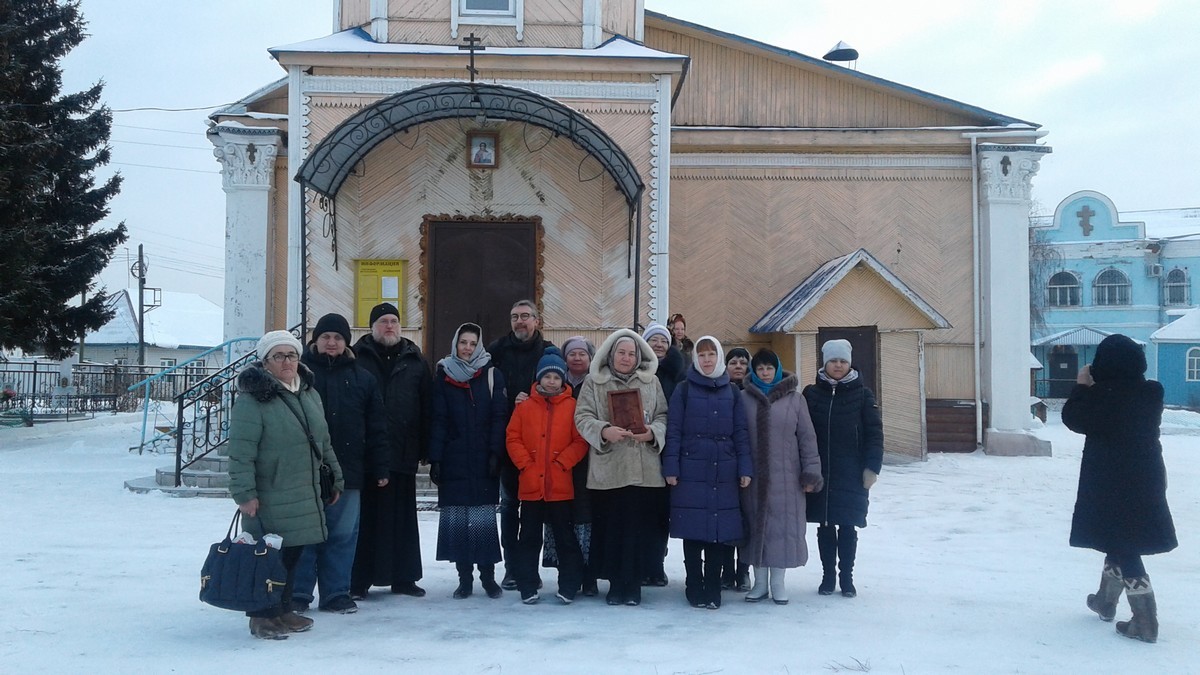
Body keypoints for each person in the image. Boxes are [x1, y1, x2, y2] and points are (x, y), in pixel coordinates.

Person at [227, 330, 345, 639]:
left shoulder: (308, 393)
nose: (287, 361)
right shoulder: (253, 400)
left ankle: (281, 609)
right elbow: (240, 452)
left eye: (291, 355)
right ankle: (261, 616)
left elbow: (324, 441)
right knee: (267, 556)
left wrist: (336, 478)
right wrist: (244, 494)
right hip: (269, 493)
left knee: (292, 554)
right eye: (278, 356)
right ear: (265, 363)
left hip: (303, 491)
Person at [1062, 333, 1177, 644]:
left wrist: (1081, 387)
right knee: (1120, 534)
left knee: (1125, 545)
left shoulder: (1102, 397)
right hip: (1147, 476)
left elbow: (1073, 418)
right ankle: (1105, 600)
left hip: (1110, 480)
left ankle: (1145, 620)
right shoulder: (1151, 393)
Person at [294, 314, 390, 615]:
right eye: (326, 337)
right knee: (305, 534)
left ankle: (336, 593)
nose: (331, 342)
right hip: (304, 472)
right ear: (315, 341)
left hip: (349, 471)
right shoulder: (298, 376)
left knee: (342, 535)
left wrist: (380, 466)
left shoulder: (363, 378)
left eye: (337, 337)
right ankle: (298, 593)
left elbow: (376, 426)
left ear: (346, 342)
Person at [574, 329, 669, 606]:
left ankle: (635, 585)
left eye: (631, 354)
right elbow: (582, 416)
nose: (626, 358)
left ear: (638, 357)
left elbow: (663, 414)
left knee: (639, 530)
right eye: (621, 353)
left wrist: (652, 433)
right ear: (610, 355)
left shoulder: (651, 382)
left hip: (643, 468)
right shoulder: (595, 382)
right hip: (610, 469)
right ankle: (616, 584)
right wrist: (604, 431)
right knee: (612, 528)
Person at [663, 337, 752, 609]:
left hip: (723, 468)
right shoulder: (684, 389)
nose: (707, 359)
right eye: (702, 355)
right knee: (693, 531)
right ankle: (694, 584)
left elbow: (741, 432)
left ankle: (713, 586)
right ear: (696, 360)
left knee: (718, 532)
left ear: (719, 357)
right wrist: (671, 467)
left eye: (712, 354)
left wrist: (745, 467)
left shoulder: (732, 392)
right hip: (691, 467)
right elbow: (674, 430)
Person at [352, 303, 431, 599]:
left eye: (394, 321)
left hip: (402, 451)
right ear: (372, 327)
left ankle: (404, 578)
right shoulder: (357, 358)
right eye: (383, 321)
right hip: (367, 454)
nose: (389, 326)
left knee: (402, 520)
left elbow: (426, 406)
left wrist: (425, 447)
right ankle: (358, 581)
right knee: (366, 520)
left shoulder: (415, 360)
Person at [429, 323, 508, 600]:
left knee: (484, 521)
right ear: (455, 344)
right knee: (459, 523)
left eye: (473, 343)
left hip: (483, 459)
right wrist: (435, 458)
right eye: (463, 342)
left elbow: (500, 417)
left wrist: (495, 454)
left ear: (480, 345)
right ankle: (464, 580)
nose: (467, 348)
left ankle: (488, 578)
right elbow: (437, 418)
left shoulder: (491, 375)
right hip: (454, 460)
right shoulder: (444, 374)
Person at [739, 348, 822, 605]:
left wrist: (811, 472)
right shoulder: (742, 398)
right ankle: (760, 583)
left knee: (781, 530)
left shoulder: (795, 400)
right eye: (760, 369)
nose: (765, 373)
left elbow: (807, 438)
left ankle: (778, 582)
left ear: (777, 369)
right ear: (754, 371)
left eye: (769, 368)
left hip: (787, 477)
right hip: (752, 479)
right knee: (755, 526)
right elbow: (737, 437)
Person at [506, 347, 589, 604]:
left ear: (562, 379)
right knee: (529, 538)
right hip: (531, 485)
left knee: (565, 537)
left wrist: (564, 462)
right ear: (538, 378)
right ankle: (527, 585)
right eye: (547, 377)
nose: (551, 381)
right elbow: (513, 437)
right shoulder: (525, 407)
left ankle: (569, 584)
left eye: (556, 377)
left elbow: (580, 440)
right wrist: (525, 464)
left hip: (560, 486)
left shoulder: (572, 406)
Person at [804, 339, 884, 598]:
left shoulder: (863, 395)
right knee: (825, 525)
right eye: (833, 361)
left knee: (848, 525)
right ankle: (828, 577)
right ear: (824, 362)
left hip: (851, 471)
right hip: (821, 471)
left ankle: (846, 578)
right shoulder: (811, 394)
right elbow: (801, 434)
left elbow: (874, 433)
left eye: (842, 361)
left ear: (849, 364)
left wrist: (872, 467)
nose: (837, 365)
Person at [487, 299, 554, 590]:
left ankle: (530, 568)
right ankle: (512, 567)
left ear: (537, 321)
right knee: (510, 506)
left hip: (542, 445)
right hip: (508, 444)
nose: (520, 321)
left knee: (534, 512)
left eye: (526, 316)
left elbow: (559, 391)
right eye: (515, 317)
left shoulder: (549, 352)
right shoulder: (496, 351)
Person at [540, 336, 600, 596]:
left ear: (590, 358)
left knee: (587, 518)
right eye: (572, 354)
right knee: (562, 520)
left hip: (589, 464)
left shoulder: (597, 383)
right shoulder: (554, 385)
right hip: (557, 466)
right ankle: (567, 571)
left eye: (582, 354)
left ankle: (589, 576)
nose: (577, 358)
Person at [640, 321, 685, 587]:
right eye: (654, 340)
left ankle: (656, 564)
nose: (658, 345)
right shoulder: (636, 368)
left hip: (666, 449)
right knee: (639, 511)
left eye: (663, 341)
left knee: (660, 512)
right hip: (637, 448)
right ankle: (641, 562)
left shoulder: (679, 373)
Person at [719, 346, 753, 591]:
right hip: (722, 463)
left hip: (748, 464)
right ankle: (725, 571)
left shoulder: (754, 393)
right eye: (734, 362)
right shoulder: (718, 390)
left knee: (745, 520)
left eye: (743, 362)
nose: (738, 366)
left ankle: (743, 571)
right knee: (724, 520)